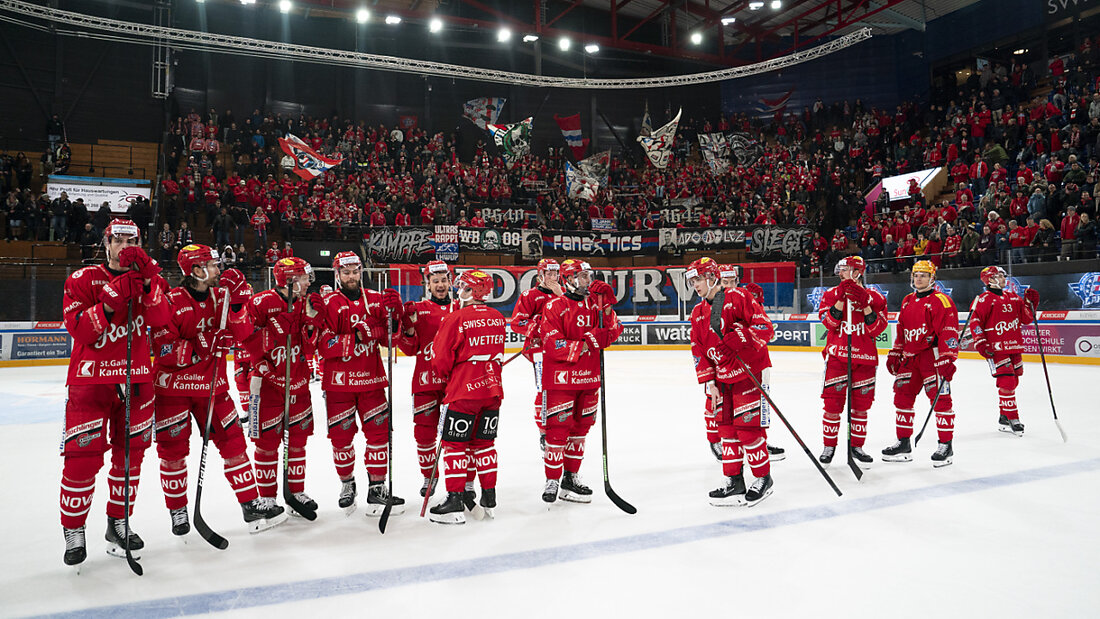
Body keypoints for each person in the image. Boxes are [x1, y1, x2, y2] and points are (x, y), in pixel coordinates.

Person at [151, 244, 286, 537]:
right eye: (212, 265)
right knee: (173, 451)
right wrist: (200, 347)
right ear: (196, 271)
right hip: (173, 390)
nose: (218, 270)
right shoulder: (172, 300)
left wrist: (238, 305)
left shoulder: (222, 298)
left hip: (213, 386)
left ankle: (250, 504)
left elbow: (244, 333)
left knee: (235, 444)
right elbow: (161, 347)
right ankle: (178, 511)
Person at [59, 218, 170, 567]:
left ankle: (118, 522)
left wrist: (150, 283)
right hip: (90, 381)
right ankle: (74, 530)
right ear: (105, 244)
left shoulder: (151, 279)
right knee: (83, 458)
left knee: (130, 457)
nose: (124, 246)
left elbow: (161, 321)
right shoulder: (82, 280)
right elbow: (79, 330)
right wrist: (109, 302)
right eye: (117, 240)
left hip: (136, 380)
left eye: (131, 240)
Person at [313, 251, 405, 515]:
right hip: (338, 384)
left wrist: (394, 317)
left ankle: (377, 488)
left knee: (379, 436)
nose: (351, 277)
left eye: (355, 272)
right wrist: (358, 334)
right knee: (341, 439)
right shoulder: (329, 302)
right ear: (338, 274)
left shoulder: (375, 299)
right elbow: (323, 344)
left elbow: (392, 339)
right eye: (346, 272)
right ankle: (347, 483)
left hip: (372, 381)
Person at [240, 257, 321, 517]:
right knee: (266, 443)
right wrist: (272, 333)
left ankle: (295, 491)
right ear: (290, 280)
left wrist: (311, 321)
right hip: (265, 385)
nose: (309, 281)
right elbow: (243, 337)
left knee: (297, 441)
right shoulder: (261, 302)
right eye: (305, 276)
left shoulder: (305, 303)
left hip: (297, 382)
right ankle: (266, 497)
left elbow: (310, 347)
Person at [537, 259, 621, 504]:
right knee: (557, 432)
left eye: (589, 275)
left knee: (580, 431)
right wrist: (587, 342)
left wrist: (607, 309)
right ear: (569, 279)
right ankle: (552, 479)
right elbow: (552, 344)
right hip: (560, 381)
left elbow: (613, 331)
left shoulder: (595, 305)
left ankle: (570, 478)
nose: (588, 281)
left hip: (589, 378)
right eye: (583, 276)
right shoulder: (555, 305)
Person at [427, 270, 507, 524]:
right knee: (484, 445)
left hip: (463, 391)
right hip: (492, 390)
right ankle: (489, 498)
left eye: (463, 286)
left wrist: (447, 376)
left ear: (472, 291)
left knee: (455, 446)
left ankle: (454, 502)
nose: (458, 289)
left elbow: (439, 359)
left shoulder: (456, 317)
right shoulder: (497, 317)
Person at [700, 260, 777, 506]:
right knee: (727, 431)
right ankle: (734, 481)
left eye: (698, 279)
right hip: (721, 379)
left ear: (712, 278)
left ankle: (763, 478)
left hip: (747, 372)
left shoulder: (740, 296)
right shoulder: (697, 312)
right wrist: (709, 381)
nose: (694, 285)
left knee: (748, 429)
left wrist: (744, 336)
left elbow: (766, 328)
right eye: (692, 281)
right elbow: (698, 350)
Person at [882, 260, 959, 467]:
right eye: (916, 275)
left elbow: (949, 331)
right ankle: (903, 443)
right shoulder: (908, 300)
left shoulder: (941, 300)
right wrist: (895, 353)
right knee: (902, 397)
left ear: (932, 278)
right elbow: (901, 330)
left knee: (940, 400)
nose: (919, 278)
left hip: (931, 357)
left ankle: (945, 445)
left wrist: (947, 357)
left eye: (923, 275)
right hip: (910, 357)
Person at [395, 261, 460, 498]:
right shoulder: (418, 309)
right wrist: (409, 329)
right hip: (425, 383)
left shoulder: (460, 307)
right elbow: (410, 349)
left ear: (450, 282)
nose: (441, 285)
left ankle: (462, 482)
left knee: (458, 436)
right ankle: (429, 476)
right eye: (436, 281)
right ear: (427, 284)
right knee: (424, 435)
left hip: (456, 384)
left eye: (444, 280)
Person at [816, 256, 888, 466]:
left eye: (845, 269)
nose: (840, 273)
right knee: (832, 405)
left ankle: (857, 446)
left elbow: (878, 329)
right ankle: (829, 446)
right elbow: (828, 323)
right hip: (838, 356)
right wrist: (841, 299)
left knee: (860, 407)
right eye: (840, 269)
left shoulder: (875, 297)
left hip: (864, 359)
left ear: (857, 272)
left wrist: (865, 304)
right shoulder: (830, 294)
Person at [717, 264, 785, 460]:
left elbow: (765, 329)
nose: (729, 286)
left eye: (733, 282)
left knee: (759, 409)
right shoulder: (714, 304)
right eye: (725, 282)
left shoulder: (744, 298)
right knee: (730, 415)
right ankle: (737, 446)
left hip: (756, 363)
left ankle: (761, 442)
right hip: (731, 368)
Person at [968, 266, 1039, 436]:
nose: (1002, 278)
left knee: (1014, 381)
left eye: (1002, 275)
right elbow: (975, 322)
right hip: (996, 349)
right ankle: (1013, 418)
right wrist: (981, 342)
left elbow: (1027, 319)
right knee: (1006, 382)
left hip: (1014, 346)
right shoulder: (983, 299)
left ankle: (1004, 416)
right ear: (989, 279)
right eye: (998, 276)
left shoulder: (1013, 297)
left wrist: (1031, 304)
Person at [508, 258, 562, 452]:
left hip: (563, 350)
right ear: (540, 275)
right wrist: (539, 328)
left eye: (556, 273)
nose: (553, 277)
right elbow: (517, 322)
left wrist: (561, 296)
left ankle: (560, 428)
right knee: (544, 391)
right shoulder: (530, 295)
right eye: (549, 273)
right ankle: (544, 432)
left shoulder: (563, 295)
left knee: (562, 391)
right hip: (540, 352)